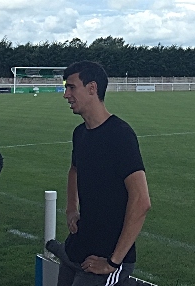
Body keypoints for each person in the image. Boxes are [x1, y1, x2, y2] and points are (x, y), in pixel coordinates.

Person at [51, 60, 151, 286]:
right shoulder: (80, 133)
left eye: (71, 87)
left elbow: (141, 201)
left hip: (106, 257)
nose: (66, 94)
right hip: (78, 247)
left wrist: (113, 262)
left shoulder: (120, 135)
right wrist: (70, 209)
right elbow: (74, 170)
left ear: (92, 88)